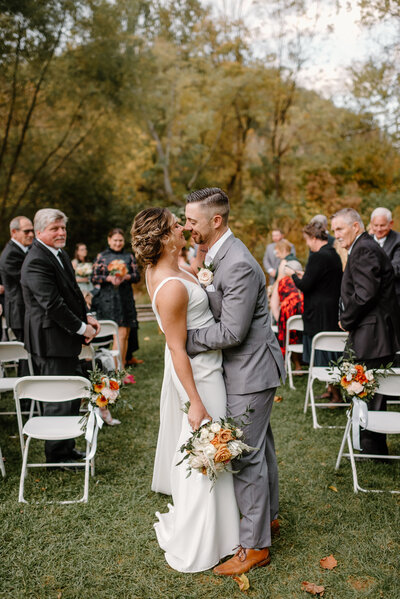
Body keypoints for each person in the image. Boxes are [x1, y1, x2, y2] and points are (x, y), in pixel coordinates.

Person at [131, 207, 240, 573]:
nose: (183, 228)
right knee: (209, 445)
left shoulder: (170, 269)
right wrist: (195, 400)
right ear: (164, 238)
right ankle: (205, 536)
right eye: (177, 226)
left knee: (205, 443)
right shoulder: (173, 286)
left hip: (204, 366)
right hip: (199, 374)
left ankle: (224, 526)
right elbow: (177, 346)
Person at [184, 188, 285, 576]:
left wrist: (187, 341)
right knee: (262, 450)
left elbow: (232, 332)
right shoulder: (216, 255)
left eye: (192, 220)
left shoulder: (238, 262)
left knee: (244, 455)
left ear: (216, 221)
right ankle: (269, 520)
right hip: (247, 370)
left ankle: (255, 546)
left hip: (250, 371)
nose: (187, 225)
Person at [21, 208, 100, 465]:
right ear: (40, 231)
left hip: (64, 337)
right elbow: (52, 305)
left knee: (70, 395)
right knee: (57, 398)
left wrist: (87, 316)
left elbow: (73, 293)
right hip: (50, 341)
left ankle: (66, 449)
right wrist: (81, 329)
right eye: (55, 228)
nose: (61, 232)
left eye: (63, 228)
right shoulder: (36, 260)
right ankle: (56, 456)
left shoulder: (60, 254)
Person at [331, 208, 400, 455]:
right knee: (370, 391)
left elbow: (365, 293)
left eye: (340, 229)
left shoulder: (364, 249)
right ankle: (370, 446)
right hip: (374, 333)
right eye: (334, 230)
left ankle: (372, 447)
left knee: (370, 391)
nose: (336, 235)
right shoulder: (365, 247)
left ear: (356, 227)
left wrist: (345, 319)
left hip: (373, 335)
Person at [291, 221, 343, 402]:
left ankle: (336, 396)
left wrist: (294, 276)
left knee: (323, 351)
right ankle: (331, 389)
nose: (307, 243)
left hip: (319, 311)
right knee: (331, 349)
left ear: (313, 238)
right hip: (331, 308)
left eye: (307, 239)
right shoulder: (333, 254)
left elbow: (306, 284)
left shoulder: (318, 256)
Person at [91, 228, 141, 367]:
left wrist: (126, 276)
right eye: (115, 240)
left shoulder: (129, 257)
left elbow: (137, 276)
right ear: (109, 240)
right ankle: (117, 371)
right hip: (108, 300)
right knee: (118, 335)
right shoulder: (102, 257)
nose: (118, 243)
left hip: (125, 298)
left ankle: (122, 366)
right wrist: (108, 278)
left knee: (125, 334)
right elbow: (94, 277)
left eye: (120, 240)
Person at [0, 216, 34, 342]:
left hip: (28, 311)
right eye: (26, 231)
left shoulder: (28, 249)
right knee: (25, 353)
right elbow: (28, 280)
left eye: (32, 230)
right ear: (14, 232)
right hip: (19, 312)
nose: (31, 234)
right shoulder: (10, 254)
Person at [270, 239, 303, 367]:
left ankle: (286, 362)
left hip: (287, 318)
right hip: (302, 319)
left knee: (286, 328)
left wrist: (280, 322)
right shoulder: (296, 262)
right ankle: (298, 364)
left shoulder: (284, 264)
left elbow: (278, 280)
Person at [370, 207, 400, 307]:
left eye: (382, 225)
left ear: (391, 224)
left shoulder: (398, 241)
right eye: (376, 225)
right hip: (370, 298)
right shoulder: (365, 241)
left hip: (393, 298)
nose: (378, 229)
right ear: (371, 223)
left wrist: (370, 272)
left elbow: (396, 269)